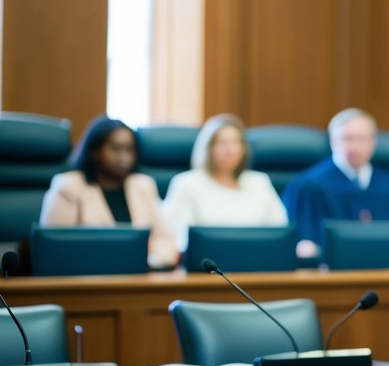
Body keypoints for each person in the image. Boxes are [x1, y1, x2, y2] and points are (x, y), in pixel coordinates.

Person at [40, 115, 178, 269]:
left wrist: (147, 262)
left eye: (130, 149)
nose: (124, 157)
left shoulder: (143, 185)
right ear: (94, 151)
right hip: (86, 280)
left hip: (139, 279)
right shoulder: (68, 187)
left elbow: (165, 240)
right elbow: (54, 250)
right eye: (116, 149)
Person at [283, 108, 389, 259]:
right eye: (347, 138)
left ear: (374, 142)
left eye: (362, 138)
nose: (354, 146)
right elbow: (304, 244)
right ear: (332, 141)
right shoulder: (308, 186)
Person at [160, 114, 288, 251]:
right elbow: (177, 237)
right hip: (207, 266)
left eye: (235, 142)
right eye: (222, 143)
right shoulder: (186, 183)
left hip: (258, 261)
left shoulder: (259, 182)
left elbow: (281, 231)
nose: (230, 150)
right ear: (208, 147)